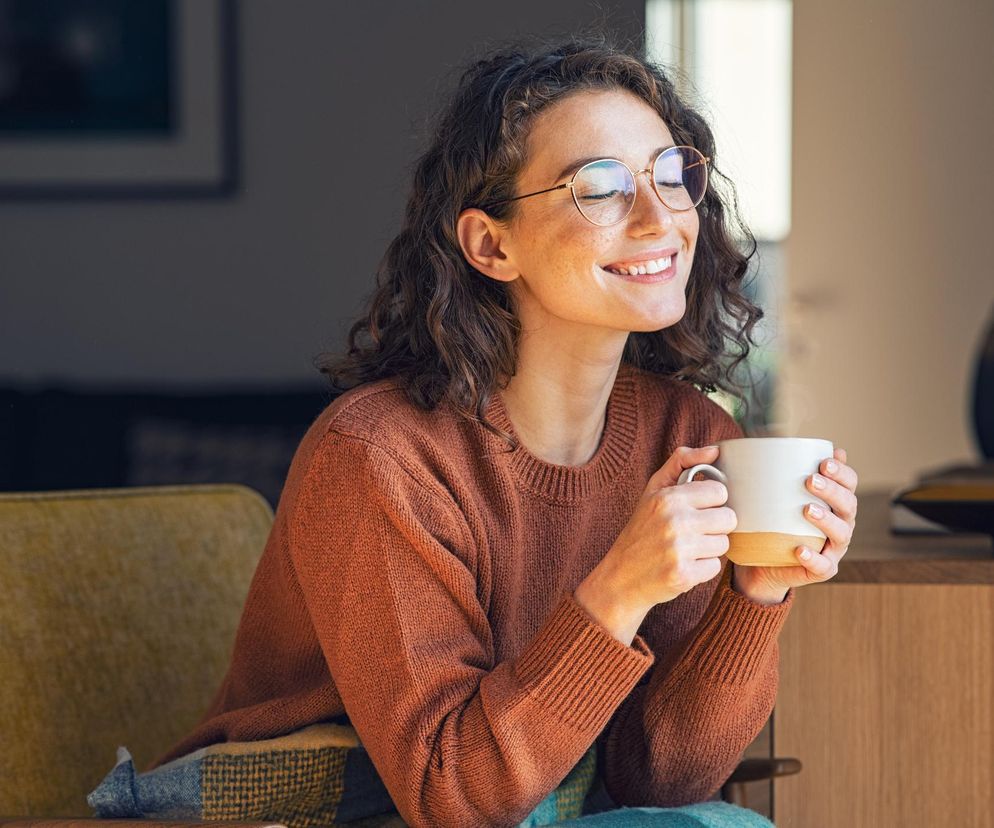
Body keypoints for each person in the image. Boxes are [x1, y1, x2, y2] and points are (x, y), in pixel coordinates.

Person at [153, 36, 859, 827]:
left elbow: (655, 782)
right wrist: (617, 590)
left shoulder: (689, 434)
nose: (660, 216)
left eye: (672, 174)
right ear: (492, 245)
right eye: (600, 188)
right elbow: (448, 797)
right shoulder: (381, 458)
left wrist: (754, 595)